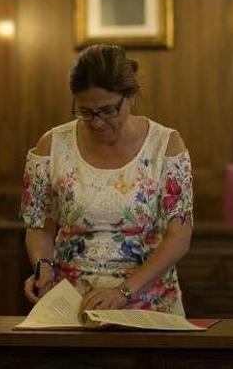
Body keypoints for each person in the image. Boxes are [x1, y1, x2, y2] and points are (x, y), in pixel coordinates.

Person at [21, 44, 193, 315]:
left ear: (131, 96)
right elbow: (40, 226)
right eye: (85, 112)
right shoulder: (51, 145)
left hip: (148, 302)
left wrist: (123, 292)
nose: (97, 122)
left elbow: (179, 237)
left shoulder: (165, 145)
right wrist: (42, 266)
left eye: (108, 110)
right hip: (70, 302)